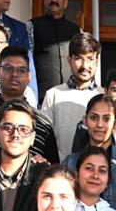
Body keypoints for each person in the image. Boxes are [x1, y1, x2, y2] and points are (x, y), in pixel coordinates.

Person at [0, 46, 60, 164]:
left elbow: (53, 167)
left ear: (29, 77)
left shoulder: (43, 122)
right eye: (8, 68)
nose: (14, 74)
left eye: (21, 70)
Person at [62, 94, 116, 211]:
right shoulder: (70, 163)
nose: (99, 125)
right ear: (85, 120)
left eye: (106, 119)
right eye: (94, 118)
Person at [41, 32, 104, 160]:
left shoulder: (103, 96)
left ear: (97, 61)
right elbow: (44, 137)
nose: (85, 66)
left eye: (90, 59)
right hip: (60, 169)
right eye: (79, 58)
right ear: (69, 60)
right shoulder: (53, 95)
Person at [27, 0, 81, 102]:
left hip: (70, 96)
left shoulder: (75, 30)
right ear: (44, 0)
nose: (54, 0)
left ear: (65, 2)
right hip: (41, 97)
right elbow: (27, 59)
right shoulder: (32, 26)